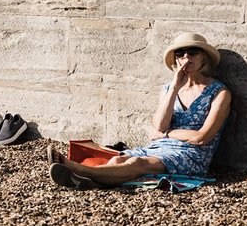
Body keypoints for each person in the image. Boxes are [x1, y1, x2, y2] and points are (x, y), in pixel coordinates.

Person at [47, 33, 232, 189]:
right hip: (160, 147)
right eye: (180, 53)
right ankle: (91, 183)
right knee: (117, 161)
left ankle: (78, 170)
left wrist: (167, 134)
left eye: (192, 52)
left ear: (204, 58)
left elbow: (201, 137)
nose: (186, 57)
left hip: (191, 155)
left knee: (137, 164)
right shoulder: (169, 89)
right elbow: (159, 125)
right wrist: (175, 88)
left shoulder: (219, 92)